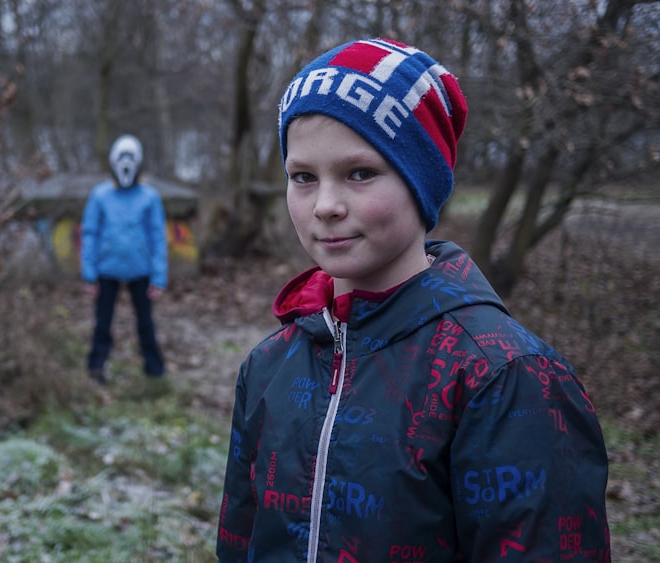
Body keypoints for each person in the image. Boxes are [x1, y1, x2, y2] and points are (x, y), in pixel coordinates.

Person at [216, 38, 610, 562]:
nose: (326, 206)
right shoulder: (268, 366)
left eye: (360, 173)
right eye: (303, 178)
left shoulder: (505, 377)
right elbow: (238, 546)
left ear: (422, 179)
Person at [80, 134, 168, 384]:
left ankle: (155, 370)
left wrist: (159, 276)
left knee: (145, 324)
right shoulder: (100, 196)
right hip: (106, 271)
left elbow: (157, 237)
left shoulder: (150, 197)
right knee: (102, 324)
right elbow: (90, 233)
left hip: (141, 271)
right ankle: (96, 367)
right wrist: (89, 273)